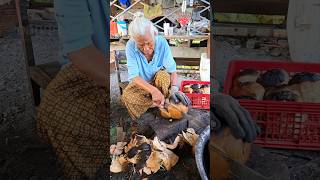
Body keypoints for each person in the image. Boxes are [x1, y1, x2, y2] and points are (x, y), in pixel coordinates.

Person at [36, 0, 108, 179]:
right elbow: (80, 49)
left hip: (137, 66)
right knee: (59, 109)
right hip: (89, 66)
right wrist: (121, 87)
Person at [122, 12, 191, 120]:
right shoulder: (130, 46)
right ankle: (158, 104)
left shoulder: (162, 43)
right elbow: (134, 76)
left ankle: (161, 102)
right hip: (141, 85)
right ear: (134, 41)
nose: (146, 49)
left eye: (149, 43)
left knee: (163, 75)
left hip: (157, 82)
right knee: (127, 95)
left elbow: (172, 70)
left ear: (155, 35)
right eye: (140, 45)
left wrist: (174, 89)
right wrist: (153, 91)